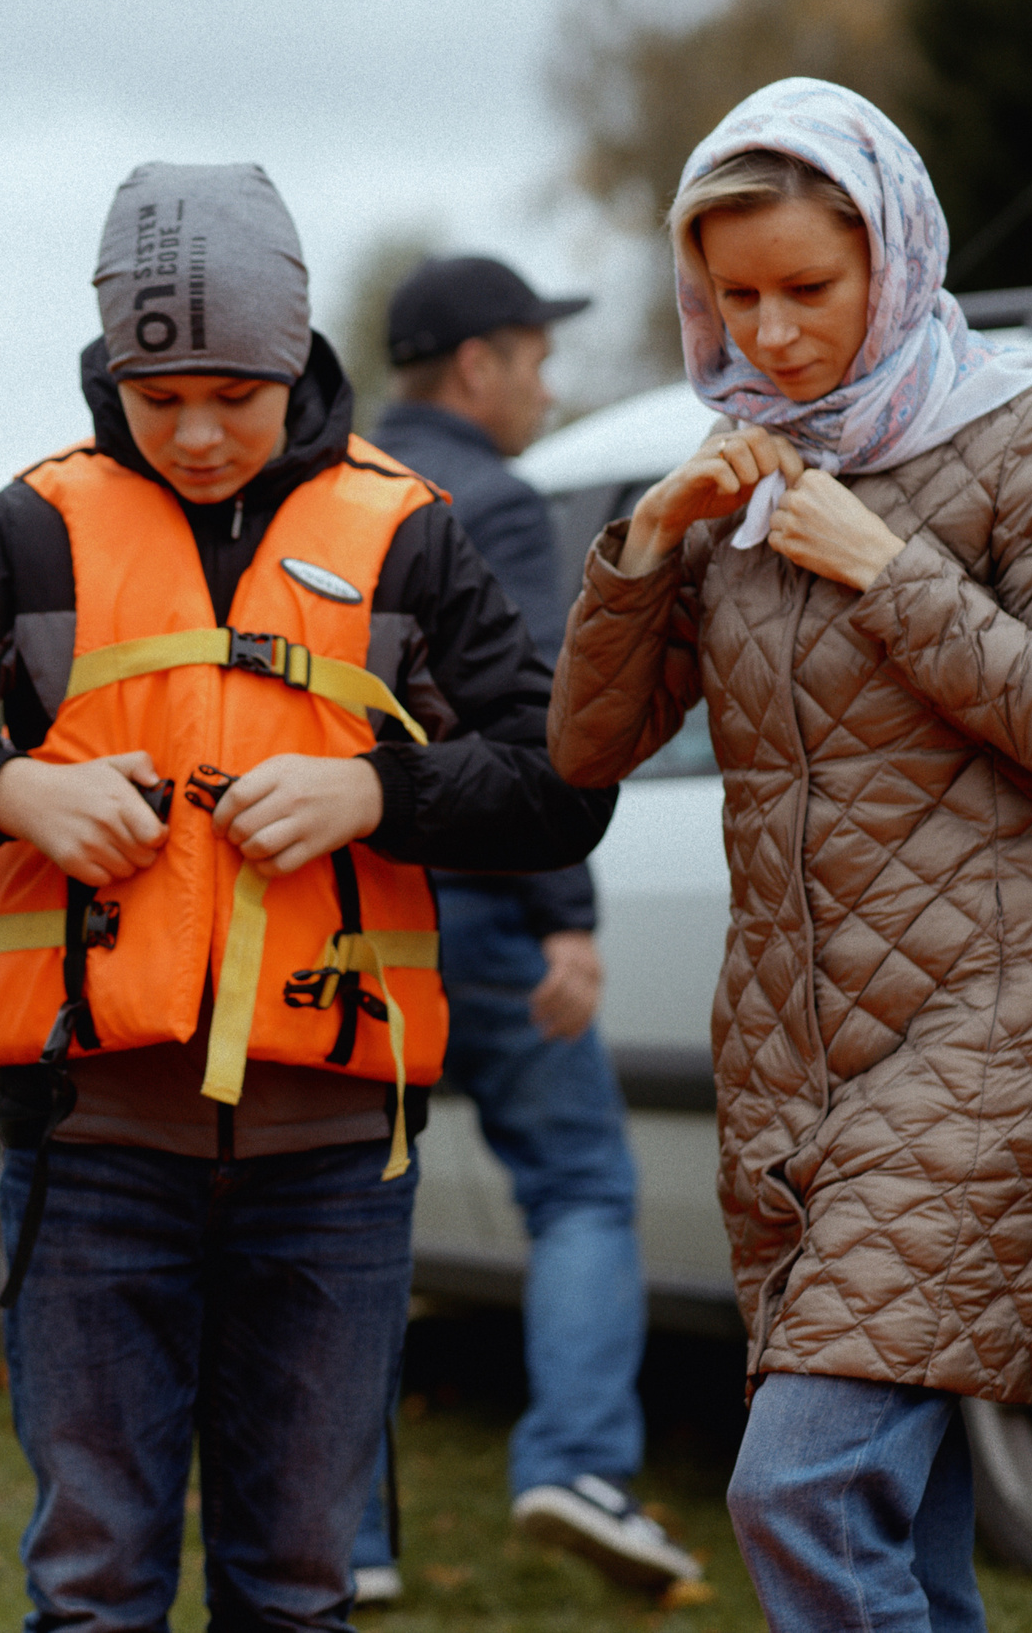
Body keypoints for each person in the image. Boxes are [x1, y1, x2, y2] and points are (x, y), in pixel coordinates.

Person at [0, 163, 614, 1632]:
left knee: (301, 1586)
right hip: (87, 1145)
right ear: (112, 368)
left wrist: (379, 789)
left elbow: (563, 782)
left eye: (233, 397)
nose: (192, 434)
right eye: (154, 392)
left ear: (299, 358)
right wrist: (11, 789)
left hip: (333, 1166)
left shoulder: (408, 531)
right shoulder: (32, 530)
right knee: (93, 1583)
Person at [549, 78, 1032, 1631]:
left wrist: (893, 573)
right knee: (907, 1536)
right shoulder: (735, 476)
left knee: (800, 1486)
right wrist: (643, 543)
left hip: (990, 1031)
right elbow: (587, 754)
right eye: (731, 297)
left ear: (893, 253)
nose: (768, 336)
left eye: (807, 290)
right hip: (788, 1054)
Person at [344, 256, 697, 1598]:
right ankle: (579, 1463)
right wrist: (568, 917)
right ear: (477, 367)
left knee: (361, 1208)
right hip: (491, 912)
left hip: (363, 911)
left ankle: (353, 1539)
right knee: (584, 1183)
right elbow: (552, 728)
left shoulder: (335, 493)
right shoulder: (489, 501)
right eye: (536, 356)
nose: (549, 381)